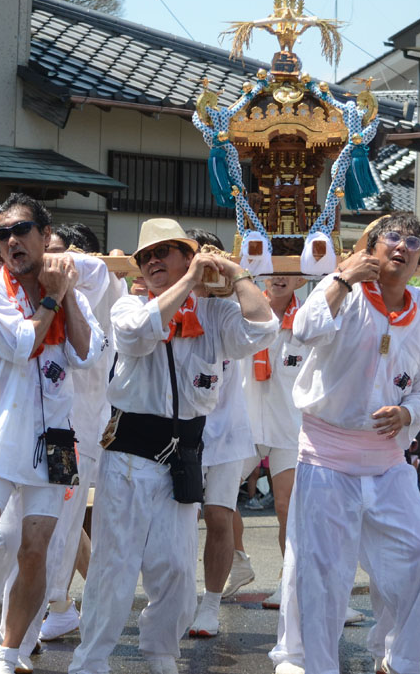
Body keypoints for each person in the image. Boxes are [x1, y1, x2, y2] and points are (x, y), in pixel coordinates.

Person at [69, 218, 278, 674]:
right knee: (114, 565)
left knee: (177, 570)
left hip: (182, 459)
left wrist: (234, 273)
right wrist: (188, 282)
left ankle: (161, 650)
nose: (154, 261)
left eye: (166, 251)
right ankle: (92, 659)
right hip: (128, 454)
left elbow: (264, 329)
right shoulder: (129, 305)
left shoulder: (214, 313)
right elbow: (137, 334)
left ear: (189, 255)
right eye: (147, 257)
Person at [280, 212, 420, 674]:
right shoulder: (344, 294)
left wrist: (409, 412)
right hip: (327, 457)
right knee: (325, 574)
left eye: (414, 242)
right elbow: (305, 329)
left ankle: (402, 658)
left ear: (419, 261)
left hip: (387, 459)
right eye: (392, 236)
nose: (402, 246)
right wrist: (342, 276)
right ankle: (317, 666)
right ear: (370, 248)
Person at [0, 192, 103, 674]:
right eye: (3, 234)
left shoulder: (66, 292)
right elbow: (24, 342)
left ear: (45, 237)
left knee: (36, 551)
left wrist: (69, 294)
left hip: (55, 441)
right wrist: (51, 296)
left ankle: (10, 650)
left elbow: (87, 355)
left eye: (22, 231)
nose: (12, 241)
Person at [182, 229, 260, 638]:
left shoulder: (232, 304)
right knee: (178, 518)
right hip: (180, 429)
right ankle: (177, 599)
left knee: (218, 515)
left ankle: (210, 604)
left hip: (227, 428)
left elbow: (265, 324)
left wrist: (236, 275)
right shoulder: (175, 298)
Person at [239, 274, 311, 610]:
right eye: (273, 269)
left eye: (289, 269)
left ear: (302, 278)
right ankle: (238, 559)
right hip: (246, 424)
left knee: (288, 509)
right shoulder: (244, 309)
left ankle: (290, 581)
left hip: (288, 429)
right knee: (216, 501)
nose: (279, 277)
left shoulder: (310, 320)